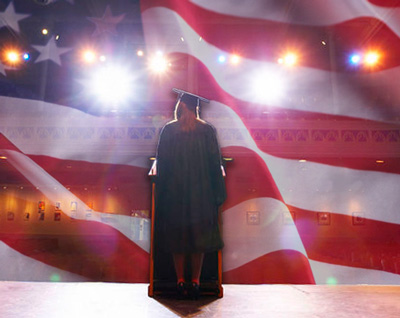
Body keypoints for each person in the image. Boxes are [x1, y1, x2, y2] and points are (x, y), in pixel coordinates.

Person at [154, 89, 226, 298]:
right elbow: (215, 163)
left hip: (176, 194)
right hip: (201, 194)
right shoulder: (207, 131)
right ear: (196, 108)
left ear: (180, 106)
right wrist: (218, 193)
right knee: (198, 238)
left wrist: (163, 191)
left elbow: (162, 162)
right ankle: (195, 280)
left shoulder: (169, 130)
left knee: (178, 238)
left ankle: (180, 280)